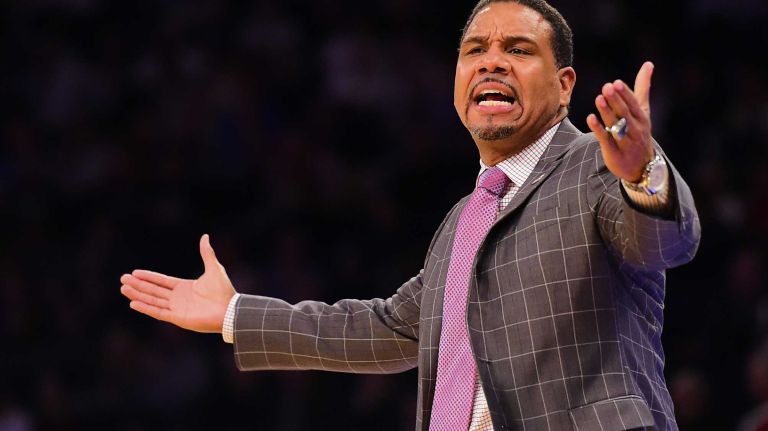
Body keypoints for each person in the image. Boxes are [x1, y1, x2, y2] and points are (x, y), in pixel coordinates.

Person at [119, 0, 701, 429]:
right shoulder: (460, 224)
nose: (491, 63)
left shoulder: (596, 169)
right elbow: (384, 328)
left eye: (518, 50)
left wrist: (642, 172)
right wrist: (235, 315)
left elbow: (664, 243)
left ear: (565, 83)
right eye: (475, 51)